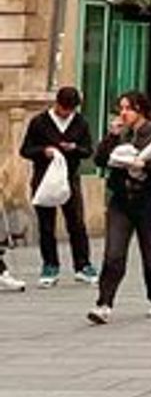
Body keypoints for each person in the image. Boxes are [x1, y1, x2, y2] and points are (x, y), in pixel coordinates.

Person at [87, 91, 151, 324]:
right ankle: (104, 303)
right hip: (121, 200)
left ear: (140, 110)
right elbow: (99, 159)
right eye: (121, 108)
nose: (123, 113)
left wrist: (145, 165)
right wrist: (111, 137)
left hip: (149, 200)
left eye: (128, 108)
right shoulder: (119, 134)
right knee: (113, 253)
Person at [20, 85, 95, 287]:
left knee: (76, 223)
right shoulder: (39, 122)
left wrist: (74, 148)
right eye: (64, 109)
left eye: (71, 110)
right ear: (57, 104)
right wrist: (44, 151)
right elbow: (25, 150)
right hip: (44, 178)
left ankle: (83, 265)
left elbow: (88, 150)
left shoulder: (80, 123)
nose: (67, 113)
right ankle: (50, 265)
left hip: (69, 178)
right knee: (46, 224)